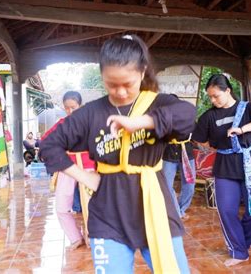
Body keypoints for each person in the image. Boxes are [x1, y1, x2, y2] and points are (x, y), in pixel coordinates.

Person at [40, 34, 193, 273]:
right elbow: (49, 145)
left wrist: (143, 122)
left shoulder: (157, 103)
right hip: (108, 213)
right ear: (102, 75)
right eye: (112, 84)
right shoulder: (91, 113)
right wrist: (85, 176)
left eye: (127, 84)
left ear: (142, 72)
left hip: (156, 208)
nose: (120, 92)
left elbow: (188, 114)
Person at [192, 73, 251, 266]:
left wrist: (243, 129)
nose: (213, 100)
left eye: (216, 96)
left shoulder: (247, 108)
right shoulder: (209, 116)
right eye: (210, 97)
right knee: (227, 211)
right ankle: (239, 252)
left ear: (228, 90)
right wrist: (214, 145)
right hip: (225, 165)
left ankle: (241, 244)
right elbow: (199, 138)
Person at [42, 90, 91, 249]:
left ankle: (94, 238)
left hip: (89, 167)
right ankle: (75, 237)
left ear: (80, 105)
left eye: (73, 107)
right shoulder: (61, 123)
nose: (70, 111)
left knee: (92, 206)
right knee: (62, 206)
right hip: (67, 167)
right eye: (66, 108)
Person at [162, 136, 196, 220]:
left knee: (190, 186)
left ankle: (181, 209)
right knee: (166, 185)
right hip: (168, 151)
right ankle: (176, 212)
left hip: (186, 151)